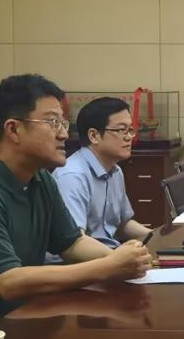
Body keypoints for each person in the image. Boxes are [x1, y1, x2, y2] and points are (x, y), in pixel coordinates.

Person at [0, 74, 153, 323]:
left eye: (63, 123)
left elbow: (72, 243)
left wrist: (121, 258)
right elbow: (8, 282)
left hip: (17, 317)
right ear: (13, 129)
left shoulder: (40, 179)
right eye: (52, 122)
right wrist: (109, 266)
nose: (64, 134)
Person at [53, 96, 150, 250]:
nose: (129, 137)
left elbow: (122, 224)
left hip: (109, 255)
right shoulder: (72, 176)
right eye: (121, 130)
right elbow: (75, 243)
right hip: (79, 260)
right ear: (94, 136)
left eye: (130, 130)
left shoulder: (115, 171)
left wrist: (156, 236)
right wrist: (119, 258)